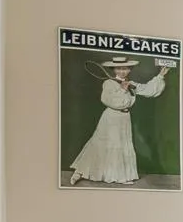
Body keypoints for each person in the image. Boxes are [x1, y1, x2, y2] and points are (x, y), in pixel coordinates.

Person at [68, 56, 171, 185]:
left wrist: (160, 75)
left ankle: (120, 176)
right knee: (101, 144)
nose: (122, 71)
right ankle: (79, 172)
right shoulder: (108, 83)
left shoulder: (130, 83)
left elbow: (148, 90)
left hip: (124, 119)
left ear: (130, 69)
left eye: (126, 69)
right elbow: (109, 101)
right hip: (111, 118)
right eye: (119, 69)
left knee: (121, 145)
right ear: (114, 69)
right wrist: (122, 90)